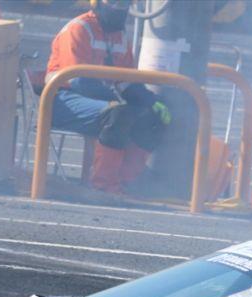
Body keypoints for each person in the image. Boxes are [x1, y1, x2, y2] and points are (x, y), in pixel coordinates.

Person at [46, 0, 170, 193]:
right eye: (114, 2)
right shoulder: (79, 29)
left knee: (153, 118)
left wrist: (150, 100)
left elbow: (126, 80)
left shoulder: (120, 36)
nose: (120, 8)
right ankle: (103, 185)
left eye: (125, 3)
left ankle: (127, 182)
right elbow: (78, 80)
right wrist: (118, 102)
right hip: (61, 101)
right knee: (118, 113)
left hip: (99, 101)